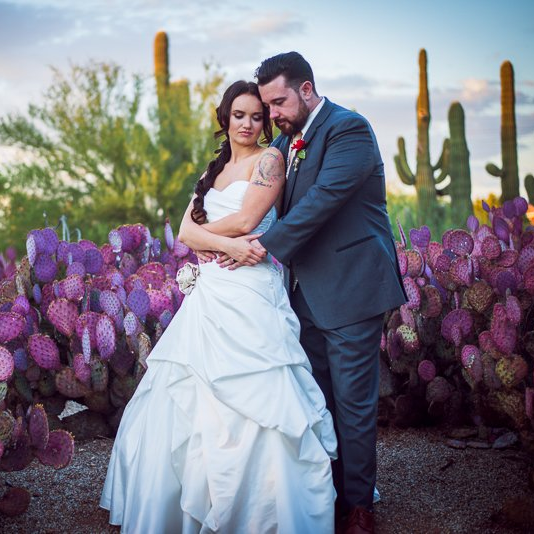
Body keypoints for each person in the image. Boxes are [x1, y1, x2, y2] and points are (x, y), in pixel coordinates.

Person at [99, 80, 337, 533]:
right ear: (224, 119)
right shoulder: (212, 171)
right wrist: (217, 243)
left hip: (252, 289)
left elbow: (248, 220)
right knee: (185, 388)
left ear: (265, 122)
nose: (248, 124)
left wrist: (212, 240)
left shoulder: (270, 161)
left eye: (256, 116)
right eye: (239, 115)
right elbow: (187, 233)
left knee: (263, 395)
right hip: (213, 291)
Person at [221, 53, 407, 534]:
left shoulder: (350, 130)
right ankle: (328, 494)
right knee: (314, 400)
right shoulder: (284, 142)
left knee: (353, 401)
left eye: (278, 102)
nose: (272, 114)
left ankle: (360, 508)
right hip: (301, 294)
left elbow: (324, 199)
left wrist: (262, 247)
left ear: (306, 89)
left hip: (351, 288)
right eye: (266, 105)